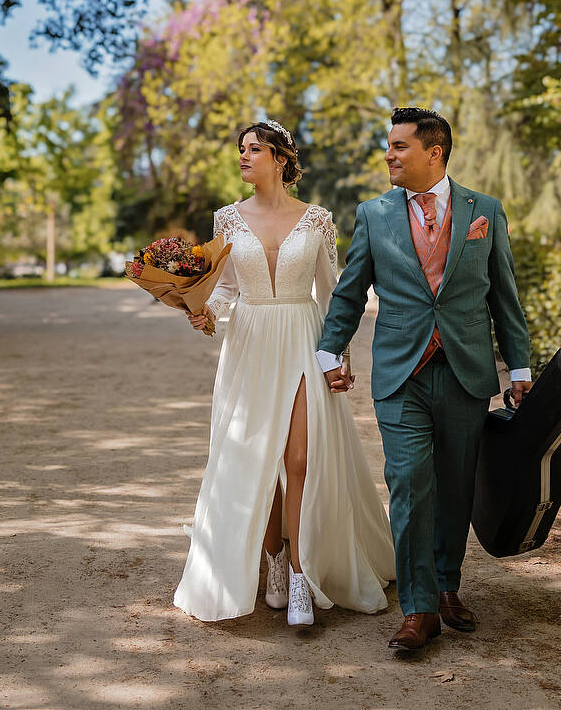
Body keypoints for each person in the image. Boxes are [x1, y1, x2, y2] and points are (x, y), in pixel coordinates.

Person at [315, 107, 533, 651]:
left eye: (398, 146)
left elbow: (504, 296)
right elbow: (348, 290)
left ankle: (446, 588)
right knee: (410, 484)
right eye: (388, 146)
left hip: (464, 373)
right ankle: (416, 609)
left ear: (434, 152)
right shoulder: (374, 214)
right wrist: (328, 351)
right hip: (400, 373)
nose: (388, 154)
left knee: (455, 489)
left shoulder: (485, 211)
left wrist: (519, 366)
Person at [173, 121, 395, 626]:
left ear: (279, 158)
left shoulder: (316, 220)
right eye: (241, 150)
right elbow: (226, 289)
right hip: (250, 344)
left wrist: (337, 355)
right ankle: (272, 561)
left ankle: (300, 575)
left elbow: (333, 293)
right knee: (259, 457)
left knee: (299, 457)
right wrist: (205, 310)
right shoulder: (226, 219)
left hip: (302, 336)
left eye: (254, 149)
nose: (244, 157)